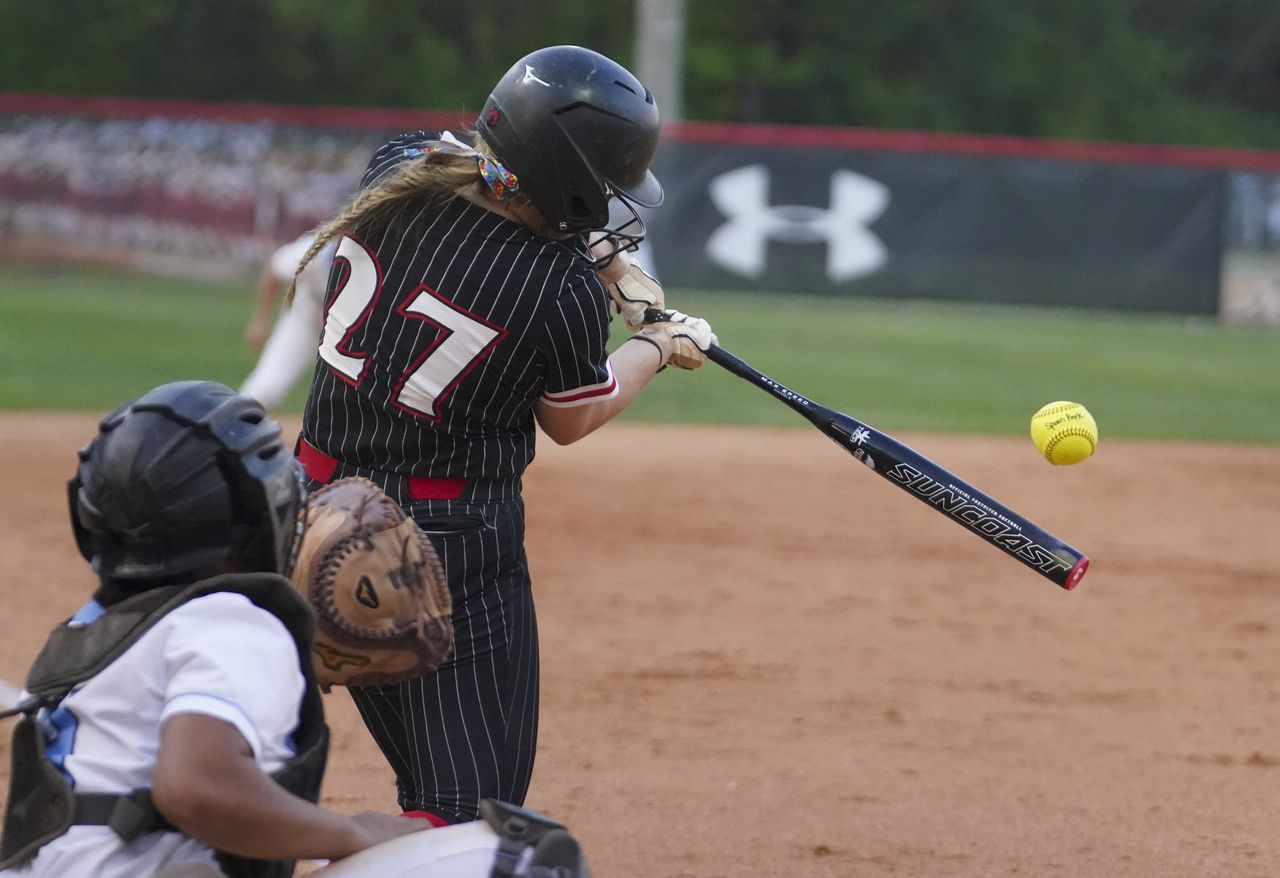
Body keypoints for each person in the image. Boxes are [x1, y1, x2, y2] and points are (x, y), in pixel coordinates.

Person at [289, 44, 716, 826]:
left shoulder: (397, 169)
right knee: (470, 811)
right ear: (573, 183)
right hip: (447, 548)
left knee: (430, 792)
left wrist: (616, 270)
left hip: (312, 516)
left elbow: (495, 194)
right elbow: (573, 416)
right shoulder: (554, 292)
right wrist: (659, 344)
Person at [0, 381, 590, 878]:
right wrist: (350, 837)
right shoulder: (236, 621)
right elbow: (194, 788)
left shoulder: (97, 625)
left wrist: (372, 830)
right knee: (525, 859)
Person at [240, 231, 337, 410]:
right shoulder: (314, 252)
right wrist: (260, 321)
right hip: (307, 320)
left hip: (352, 332)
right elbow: (274, 269)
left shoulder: (379, 262)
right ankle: (228, 431)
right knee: (265, 389)